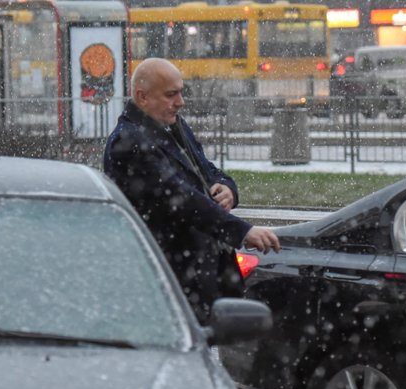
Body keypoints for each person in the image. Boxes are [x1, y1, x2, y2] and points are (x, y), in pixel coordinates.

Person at [103, 58, 280, 323]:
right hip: (167, 283)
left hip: (196, 279)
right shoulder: (130, 142)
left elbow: (207, 172)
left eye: (181, 92)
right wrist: (242, 231)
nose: (180, 101)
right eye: (171, 94)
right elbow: (180, 198)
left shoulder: (172, 126)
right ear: (142, 96)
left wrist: (228, 189)